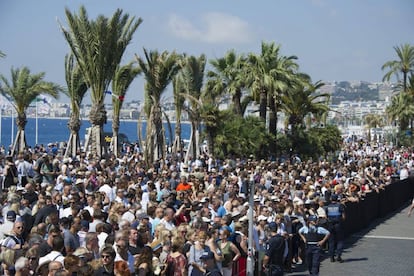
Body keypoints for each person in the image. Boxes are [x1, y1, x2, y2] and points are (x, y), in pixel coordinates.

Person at [325, 194, 346, 263]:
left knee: (331, 241)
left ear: (331, 199)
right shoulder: (340, 205)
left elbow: (326, 216)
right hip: (338, 224)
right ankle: (339, 256)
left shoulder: (328, 207)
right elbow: (343, 216)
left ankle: (331, 257)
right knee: (340, 240)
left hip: (330, 225)